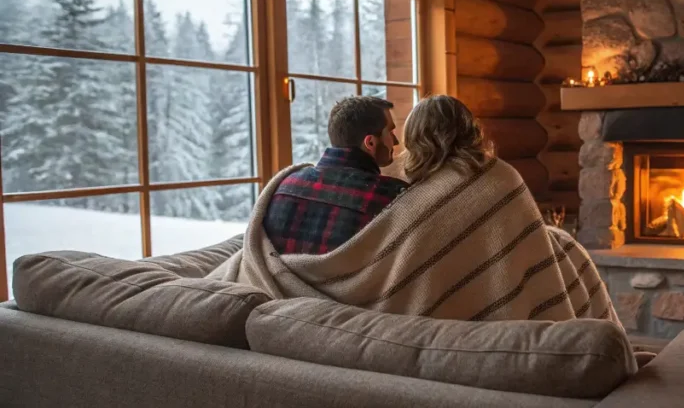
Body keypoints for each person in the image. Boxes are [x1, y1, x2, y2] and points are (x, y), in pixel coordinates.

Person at [209, 95, 621, 329]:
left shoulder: (289, 184)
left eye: (401, 132)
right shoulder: (397, 194)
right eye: (390, 131)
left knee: (559, 244)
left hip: (297, 302)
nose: (395, 139)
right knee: (563, 248)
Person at [262, 95, 409, 255]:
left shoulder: (285, 184)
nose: (395, 141)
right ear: (370, 143)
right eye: (390, 131)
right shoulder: (392, 195)